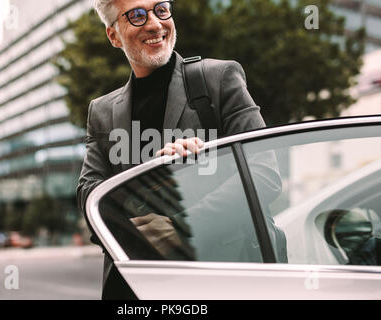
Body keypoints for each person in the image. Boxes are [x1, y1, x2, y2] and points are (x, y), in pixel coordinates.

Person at [77, 0, 281, 299]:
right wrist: (152, 185)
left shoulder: (218, 79)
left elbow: (263, 174)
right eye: (136, 15)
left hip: (221, 279)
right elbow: (88, 194)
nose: (155, 24)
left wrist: (184, 225)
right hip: (136, 287)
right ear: (113, 36)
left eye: (161, 9)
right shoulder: (102, 111)